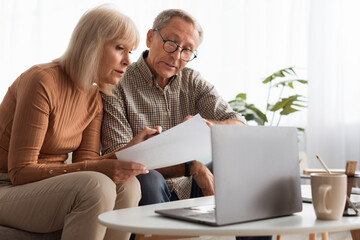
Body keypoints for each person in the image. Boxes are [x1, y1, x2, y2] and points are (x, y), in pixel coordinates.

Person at [101, 9, 272, 240]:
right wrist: (192, 166)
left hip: (191, 186)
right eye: (171, 43)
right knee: (147, 179)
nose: (176, 56)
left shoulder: (193, 81)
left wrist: (208, 125)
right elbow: (120, 158)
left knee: (244, 168)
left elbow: (239, 124)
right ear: (151, 37)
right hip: (149, 184)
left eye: (187, 50)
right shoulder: (118, 82)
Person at [0, 6, 161, 240]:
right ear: (91, 44)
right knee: (96, 187)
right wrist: (95, 167)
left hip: (46, 185)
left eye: (130, 51)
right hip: (7, 186)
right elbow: (20, 172)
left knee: (129, 186)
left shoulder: (94, 98)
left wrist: (130, 150)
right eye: (120, 48)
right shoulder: (42, 80)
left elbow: (87, 162)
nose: (128, 60)